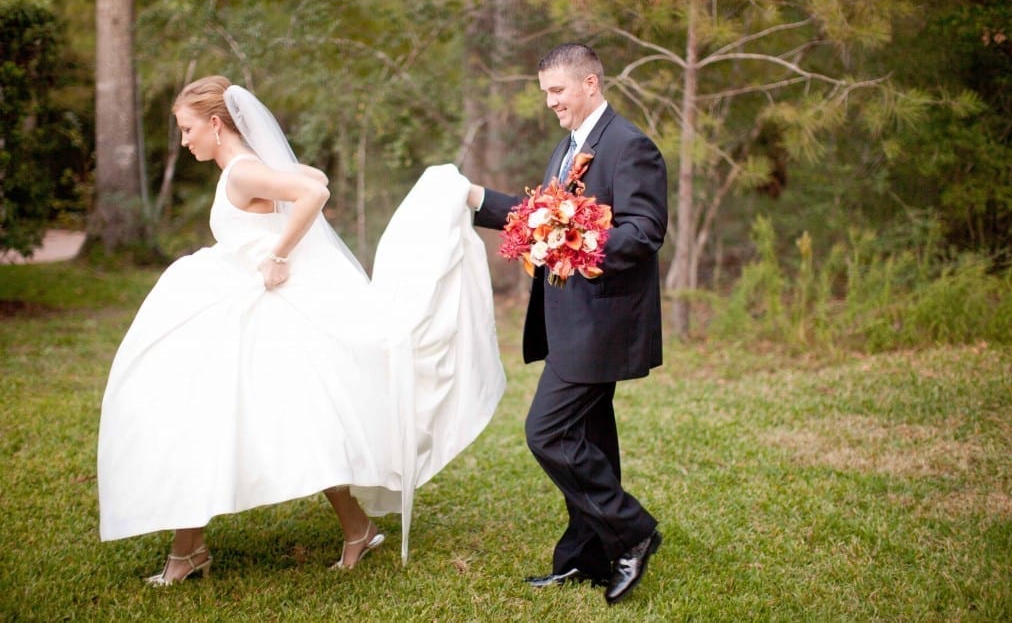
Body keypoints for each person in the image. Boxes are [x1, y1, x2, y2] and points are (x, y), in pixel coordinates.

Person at [97, 76, 505, 585]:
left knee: (218, 419)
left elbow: (313, 190)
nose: (184, 141)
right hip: (243, 311)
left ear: (216, 124)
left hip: (264, 308)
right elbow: (308, 175)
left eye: (187, 129)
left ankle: (189, 552)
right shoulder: (246, 171)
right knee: (293, 424)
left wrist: (277, 253)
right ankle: (346, 530)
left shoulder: (242, 172)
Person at [467, 43, 667, 605]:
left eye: (557, 91)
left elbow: (645, 232)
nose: (550, 102)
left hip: (602, 321)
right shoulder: (568, 146)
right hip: (568, 320)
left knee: (548, 432)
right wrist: (477, 200)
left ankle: (633, 531)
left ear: (590, 84)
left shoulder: (631, 146)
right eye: (546, 94)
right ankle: (586, 557)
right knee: (589, 440)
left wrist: (578, 236)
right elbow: (543, 219)